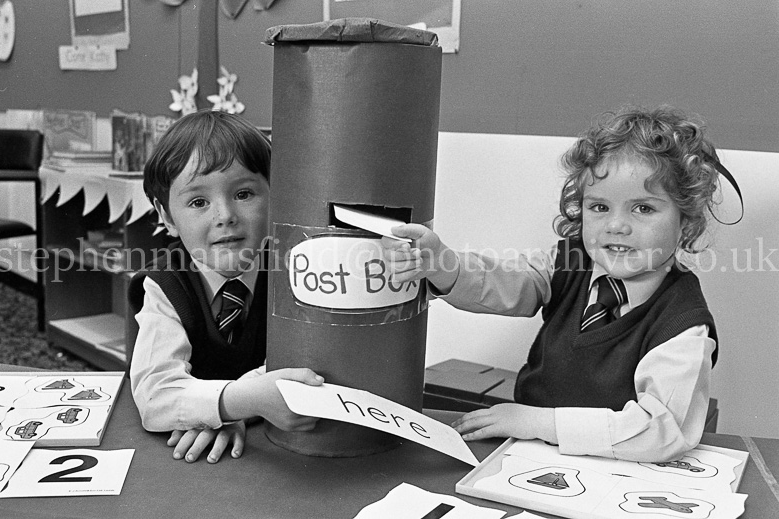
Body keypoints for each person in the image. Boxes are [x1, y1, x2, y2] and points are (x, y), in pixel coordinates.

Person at [384, 105, 729, 462]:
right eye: (599, 207)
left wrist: (537, 422)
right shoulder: (571, 261)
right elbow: (510, 283)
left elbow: (662, 431)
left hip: (619, 467)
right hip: (531, 453)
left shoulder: (684, 323)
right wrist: (445, 266)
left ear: (686, 224)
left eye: (642, 208)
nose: (616, 226)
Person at [129, 109, 323, 464]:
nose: (225, 215)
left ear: (276, 197)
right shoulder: (164, 285)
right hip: (195, 453)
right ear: (166, 217)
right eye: (199, 202)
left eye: (245, 194)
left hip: (275, 447)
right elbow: (156, 396)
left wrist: (237, 411)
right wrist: (236, 405)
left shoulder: (297, 271)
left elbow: (309, 363)